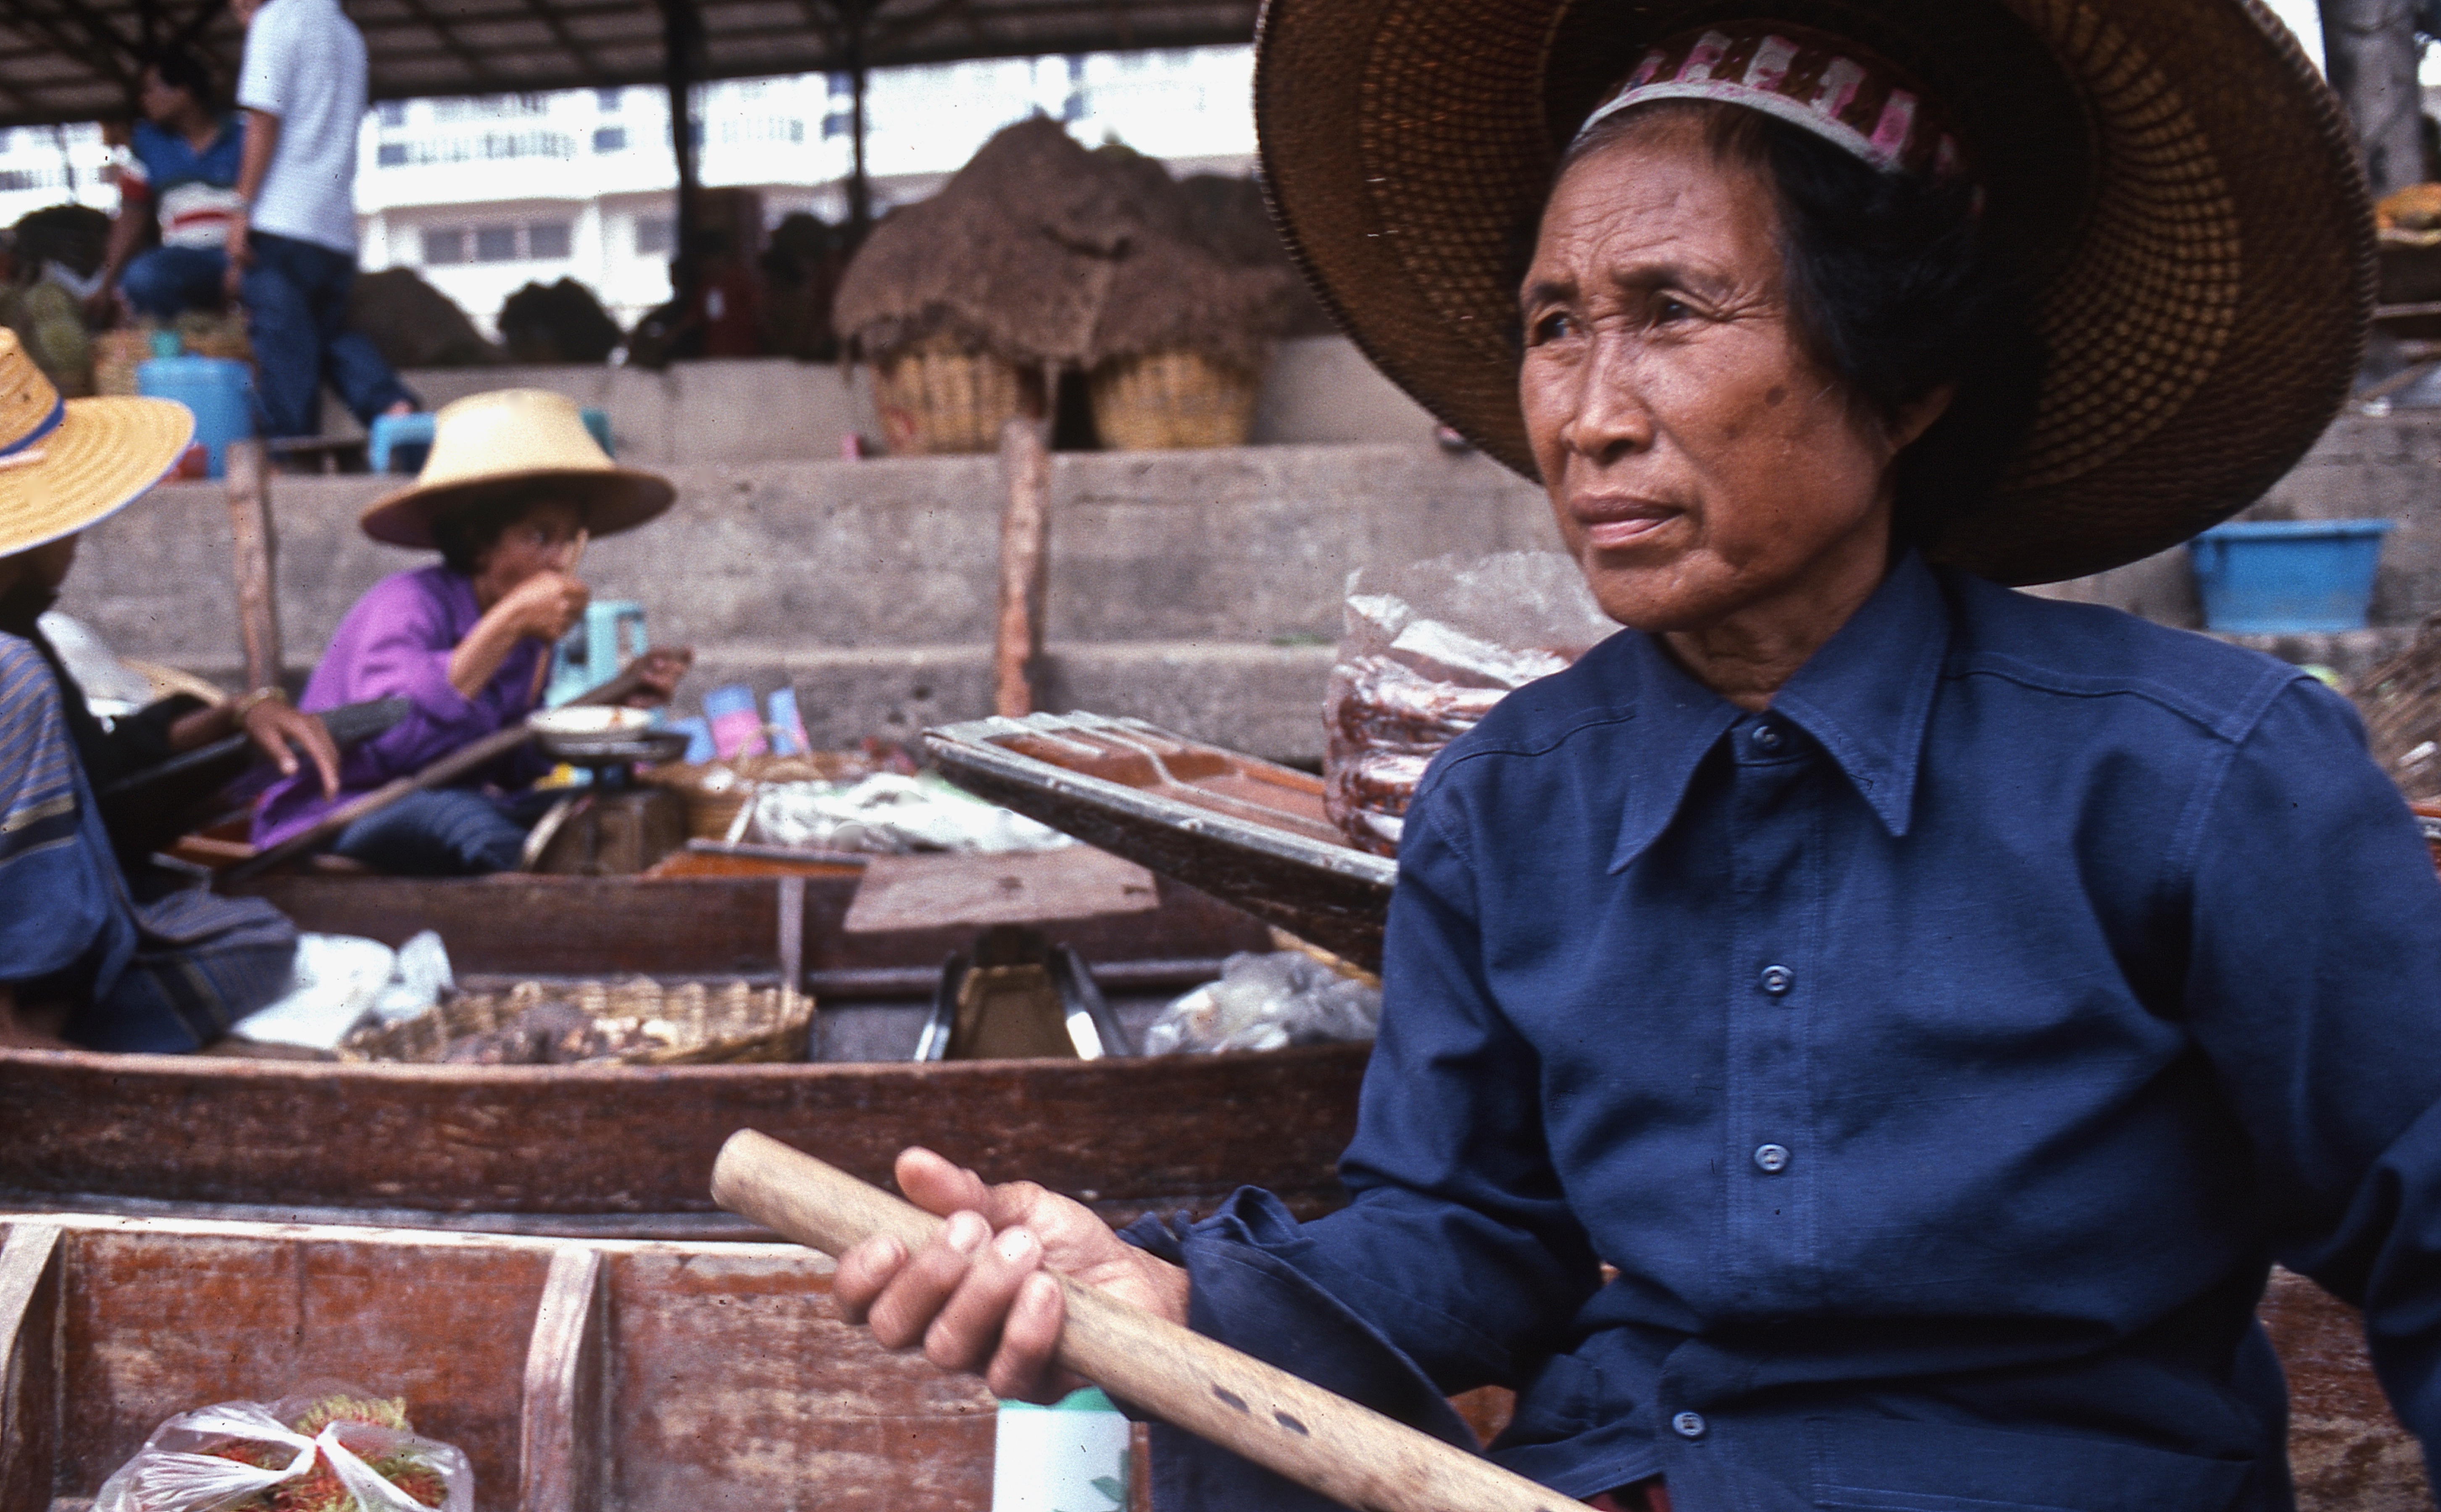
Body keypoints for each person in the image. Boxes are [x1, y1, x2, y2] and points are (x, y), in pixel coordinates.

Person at [827, 6, 2430, 1510]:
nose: (1587, 416)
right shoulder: (1508, 802)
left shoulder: (2204, 782)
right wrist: (1174, 1291)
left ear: (1907, 380)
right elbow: (1476, 1232)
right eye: (1552, 328)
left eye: (1671, 312)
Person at [0, 328, 339, 1052]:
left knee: (245, 926)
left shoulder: (25, 637)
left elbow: (102, 771)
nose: (80, 535)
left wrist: (233, 719)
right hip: (26, 1002)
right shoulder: (8, 670)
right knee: (254, 939)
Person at [253, 390, 688, 875]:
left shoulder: (527, 634)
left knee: (624, 808)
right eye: (539, 537)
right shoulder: (406, 606)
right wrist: (505, 625)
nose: (561, 561)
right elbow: (397, 747)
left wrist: (618, 697)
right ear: (476, 541)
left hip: (452, 799)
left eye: (569, 540)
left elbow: (509, 763)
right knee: (472, 828)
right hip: (341, 815)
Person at [222, 0, 416, 438]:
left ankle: (290, 464)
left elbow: (263, 119)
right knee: (330, 338)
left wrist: (241, 209)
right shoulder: (347, 34)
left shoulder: (276, 22)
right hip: (333, 228)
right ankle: (392, 407)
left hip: (282, 220)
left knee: (285, 350)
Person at [87, 48, 245, 326]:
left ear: (183, 92)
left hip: (244, 254)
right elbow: (130, 220)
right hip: (183, 260)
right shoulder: (147, 144)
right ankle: (194, 337)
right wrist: (105, 284)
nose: (143, 100)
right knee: (143, 278)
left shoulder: (244, 136)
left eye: (150, 90)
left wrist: (241, 260)